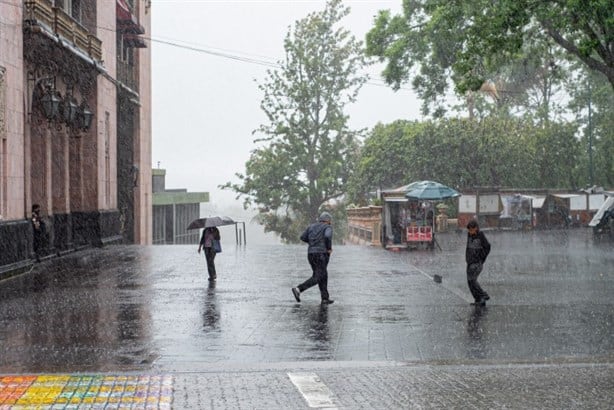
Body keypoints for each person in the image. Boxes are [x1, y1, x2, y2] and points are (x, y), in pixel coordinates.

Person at [292, 212, 334, 305]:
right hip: (321, 254)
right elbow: (327, 236)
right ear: (327, 221)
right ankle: (299, 289)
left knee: (322, 274)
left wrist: (312, 243)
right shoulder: (327, 227)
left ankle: (325, 298)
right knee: (318, 276)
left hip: (311, 254)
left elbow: (303, 237)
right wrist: (329, 248)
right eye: (330, 221)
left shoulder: (311, 226)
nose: (330, 223)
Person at [465, 219, 491, 306]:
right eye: (469, 230)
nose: (470, 232)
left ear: (476, 228)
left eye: (471, 230)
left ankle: (483, 295)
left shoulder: (480, 235)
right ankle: (478, 299)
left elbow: (487, 247)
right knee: (469, 282)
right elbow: (468, 248)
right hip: (470, 262)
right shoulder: (469, 235)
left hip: (477, 262)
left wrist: (482, 258)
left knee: (472, 280)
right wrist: (468, 259)